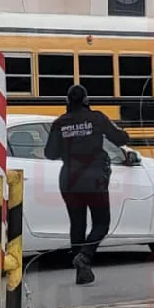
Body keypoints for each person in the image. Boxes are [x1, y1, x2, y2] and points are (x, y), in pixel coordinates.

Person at [43, 84, 131, 285]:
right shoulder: (97, 118)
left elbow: (50, 154)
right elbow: (119, 139)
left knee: (77, 223)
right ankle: (85, 256)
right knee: (101, 223)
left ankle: (81, 272)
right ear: (86, 100)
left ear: (67, 102)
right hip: (94, 179)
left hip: (69, 179)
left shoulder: (59, 123)